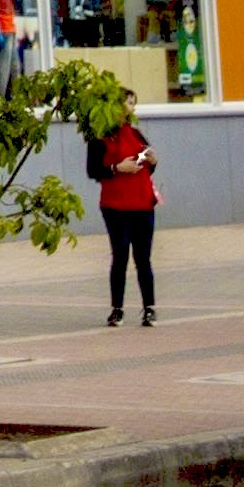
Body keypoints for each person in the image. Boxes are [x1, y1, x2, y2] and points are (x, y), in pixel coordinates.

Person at [90, 102, 163, 325]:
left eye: (133, 103)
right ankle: (117, 309)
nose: (131, 109)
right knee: (120, 257)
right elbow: (93, 170)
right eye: (127, 103)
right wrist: (116, 168)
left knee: (143, 259)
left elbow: (147, 162)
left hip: (142, 204)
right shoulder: (100, 137)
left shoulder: (135, 133)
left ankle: (149, 308)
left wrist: (152, 161)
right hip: (115, 206)